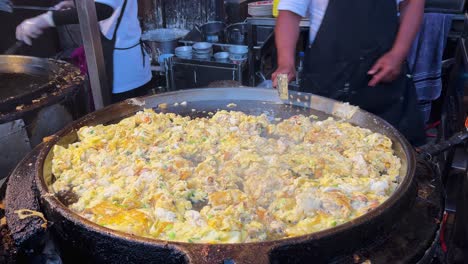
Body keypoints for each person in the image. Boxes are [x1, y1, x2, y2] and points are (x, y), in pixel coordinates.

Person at [272, 0, 426, 146]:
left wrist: (398, 53)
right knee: (316, 144)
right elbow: (289, 11)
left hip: (383, 75)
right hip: (326, 75)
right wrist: (285, 63)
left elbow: (412, 3)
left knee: (391, 152)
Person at [15, 0, 152, 103]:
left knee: (127, 121)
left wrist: (44, 20)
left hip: (124, 70)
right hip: (125, 62)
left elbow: (102, 9)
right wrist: (75, 3)